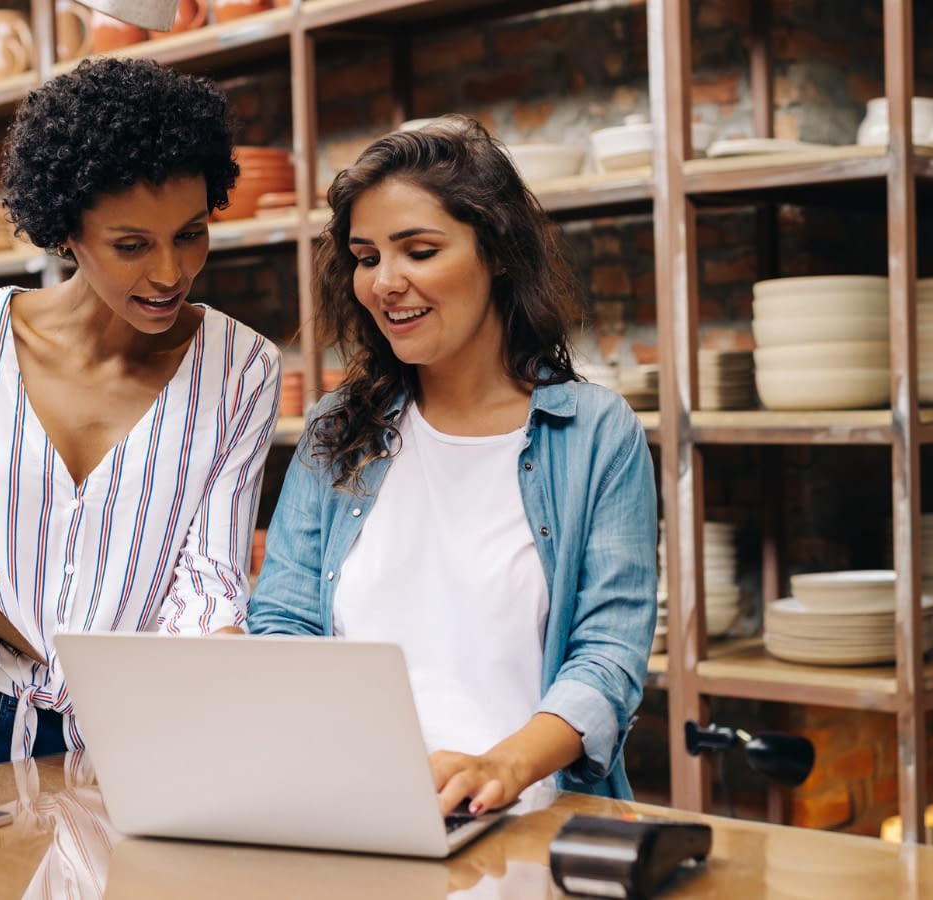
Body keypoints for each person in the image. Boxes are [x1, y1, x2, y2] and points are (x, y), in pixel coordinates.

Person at [0, 57, 281, 775]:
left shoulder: (242, 366)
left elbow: (210, 578)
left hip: (146, 732)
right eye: (131, 245)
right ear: (66, 231)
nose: (169, 272)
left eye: (190, 233)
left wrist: (225, 665)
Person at [246, 116, 656, 814]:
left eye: (420, 250)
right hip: (356, 809)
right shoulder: (337, 429)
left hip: (522, 814)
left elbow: (608, 655)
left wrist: (501, 768)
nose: (385, 282)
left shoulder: (593, 434)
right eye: (367, 256)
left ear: (494, 252)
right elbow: (282, 621)